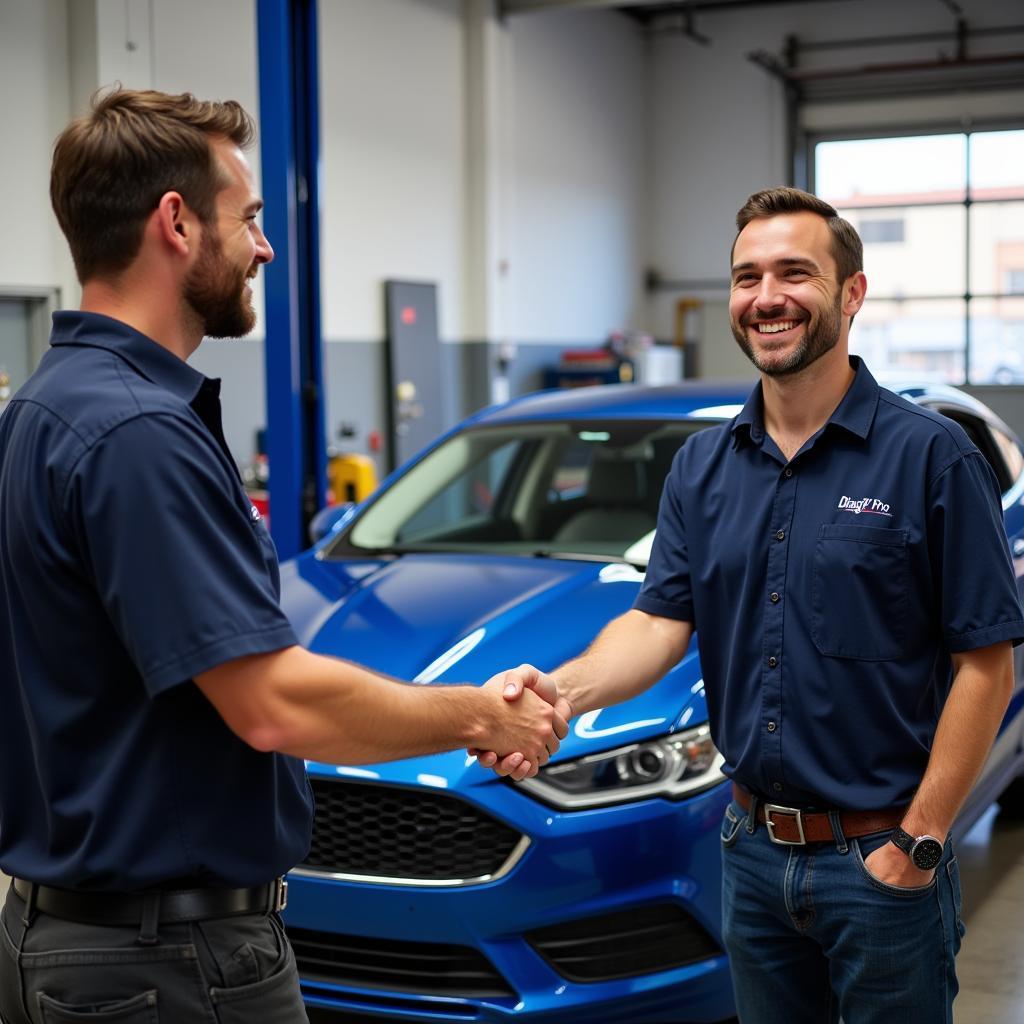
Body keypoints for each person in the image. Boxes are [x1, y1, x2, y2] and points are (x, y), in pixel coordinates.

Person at [0, 88, 568, 1024]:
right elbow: (270, 704)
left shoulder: (45, 406)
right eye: (251, 219)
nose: (264, 248)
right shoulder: (139, 432)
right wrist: (481, 717)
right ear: (176, 223)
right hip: (168, 964)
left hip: (72, 939)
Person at [477, 186, 1024, 1023]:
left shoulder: (932, 457)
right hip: (753, 856)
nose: (766, 297)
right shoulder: (703, 466)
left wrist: (921, 840)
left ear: (852, 293)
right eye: (746, 277)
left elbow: (984, 666)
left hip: (881, 855)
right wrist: (562, 696)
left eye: (794, 273)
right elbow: (658, 624)